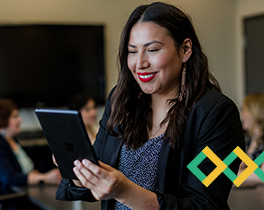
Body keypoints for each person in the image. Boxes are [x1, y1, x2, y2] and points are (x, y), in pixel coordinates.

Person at [55, 2, 244, 210]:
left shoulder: (217, 114)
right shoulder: (121, 100)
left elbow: (207, 205)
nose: (140, 63)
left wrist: (124, 191)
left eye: (152, 49)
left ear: (185, 50)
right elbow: (96, 178)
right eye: (132, 51)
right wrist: (79, 172)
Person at [0, 99, 61, 197]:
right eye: (15, 116)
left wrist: (34, 175)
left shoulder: (10, 140)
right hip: (8, 198)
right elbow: (9, 178)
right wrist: (44, 178)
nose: (20, 119)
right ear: (3, 120)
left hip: (21, 192)